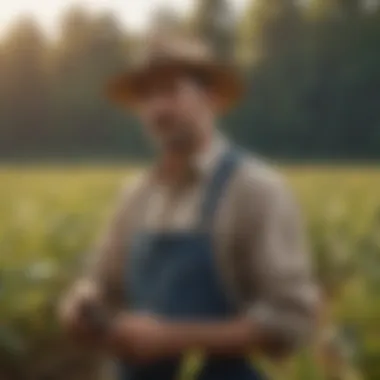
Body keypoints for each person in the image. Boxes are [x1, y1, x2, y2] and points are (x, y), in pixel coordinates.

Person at [59, 34, 319, 380]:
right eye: (146, 95)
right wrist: (81, 304)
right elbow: (102, 285)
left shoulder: (256, 191)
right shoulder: (136, 195)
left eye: (170, 91)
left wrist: (171, 339)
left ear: (209, 97)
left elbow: (291, 321)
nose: (157, 108)